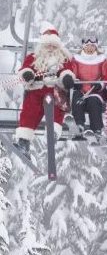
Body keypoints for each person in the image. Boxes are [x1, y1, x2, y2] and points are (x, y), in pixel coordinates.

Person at [14, 23, 76, 159]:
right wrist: (27, 75)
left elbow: (67, 70)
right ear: (42, 45)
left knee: (59, 105)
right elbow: (25, 69)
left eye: (53, 45)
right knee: (30, 109)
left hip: (56, 88)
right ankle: (24, 141)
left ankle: (52, 132)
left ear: (57, 46)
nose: (50, 48)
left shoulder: (62, 59)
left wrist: (66, 78)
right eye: (48, 45)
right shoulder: (33, 58)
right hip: (37, 88)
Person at [70, 36, 107, 140]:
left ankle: (96, 129)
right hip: (81, 89)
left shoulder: (102, 60)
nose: (90, 48)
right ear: (83, 47)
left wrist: (100, 84)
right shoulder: (76, 59)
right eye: (87, 46)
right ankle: (79, 124)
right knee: (77, 99)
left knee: (94, 102)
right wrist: (76, 82)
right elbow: (73, 73)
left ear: (96, 47)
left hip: (95, 90)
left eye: (92, 46)